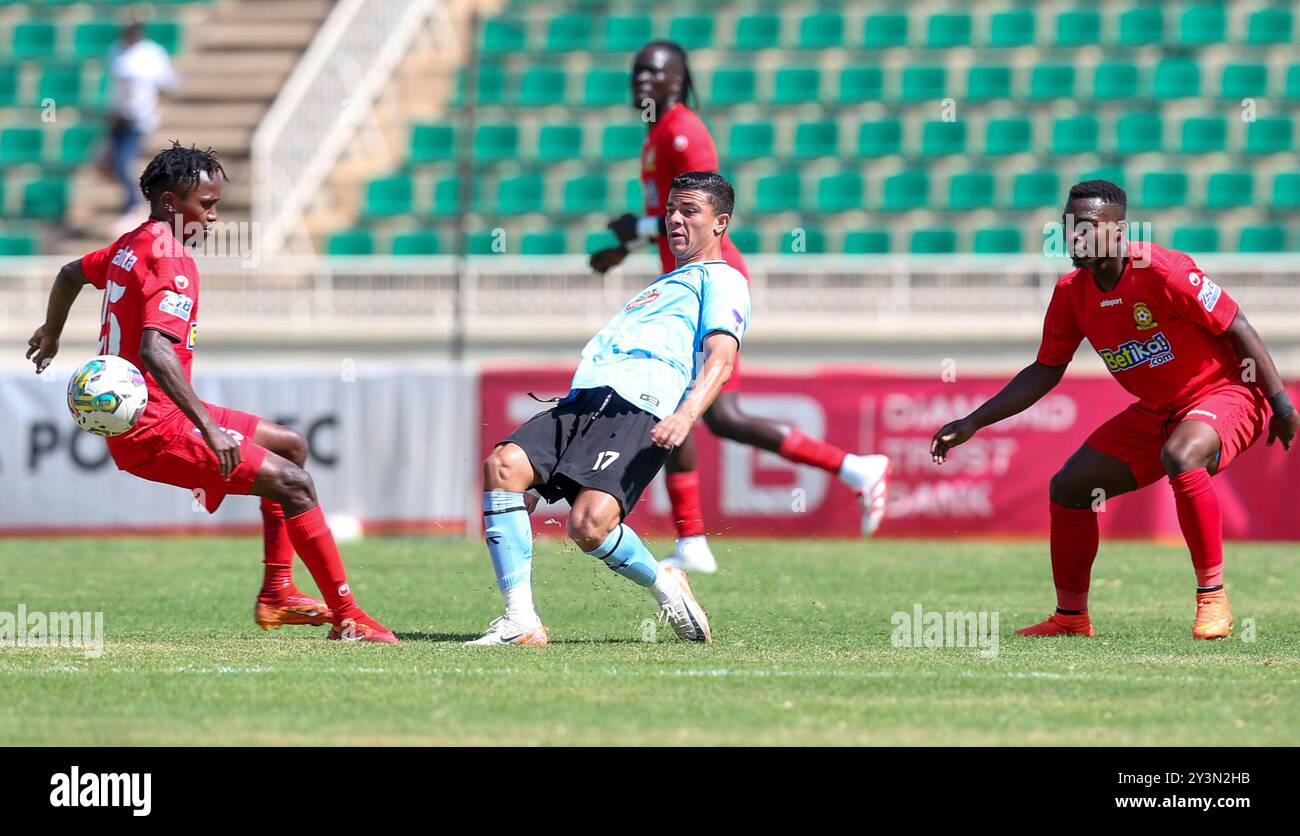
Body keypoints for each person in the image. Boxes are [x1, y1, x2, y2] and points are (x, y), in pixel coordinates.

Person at [26, 143, 396, 644]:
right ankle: (349, 617)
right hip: (156, 427)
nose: (214, 217)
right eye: (207, 204)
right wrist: (209, 428)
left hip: (153, 414)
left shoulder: (131, 243)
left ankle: (279, 592)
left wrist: (51, 332)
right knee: (296, 485)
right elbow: (155, 350)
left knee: (291, 446)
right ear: (171, 203)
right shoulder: (171, 258)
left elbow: (71, 273)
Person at [930, 180, 1297, 639]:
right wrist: (973, 422)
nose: (1075, 238)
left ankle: (1212, 599)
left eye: (1086, 228)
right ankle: (1070, 618)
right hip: (1156, 411)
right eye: (1069, 228)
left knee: (1182, 456)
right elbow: (1045, 370)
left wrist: (1280, 404)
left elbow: (1237, 325)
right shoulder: (1072, 292)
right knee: (1070, 487)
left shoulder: (1164, 271)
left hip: (1226, 393)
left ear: (1118, 230)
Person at [589, 41, 890, 573]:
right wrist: (627, 243)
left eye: (656, 72)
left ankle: (695, 540)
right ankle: (851, 471)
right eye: (638, 70)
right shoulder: (658, 133)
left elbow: (707, 203)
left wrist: (635, 229)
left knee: (679, 398)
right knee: (719, 414)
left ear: (678, 80)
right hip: (683, 280)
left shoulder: (682, 131)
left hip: (709, 281)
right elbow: (669, 217)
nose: (643, 80)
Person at [470, 171, 750, 646]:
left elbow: (721, 359)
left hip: (638, 409)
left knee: (588, 526)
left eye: (690, 211)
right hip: (584, 400)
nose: (675, 220)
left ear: (720, 222)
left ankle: (667, 585)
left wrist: (685, 415)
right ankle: (521, 620)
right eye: (670, 210)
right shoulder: (665, 283)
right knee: (502, 468)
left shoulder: (722, 279)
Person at [106, 22, 176, 216]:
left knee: (123, 161)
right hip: (117, 116)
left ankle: (133, 201)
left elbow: (167, 82)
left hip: (139, 117)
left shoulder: (151, 54)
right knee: (106, 163)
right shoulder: (116, 51)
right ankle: (132, 196)